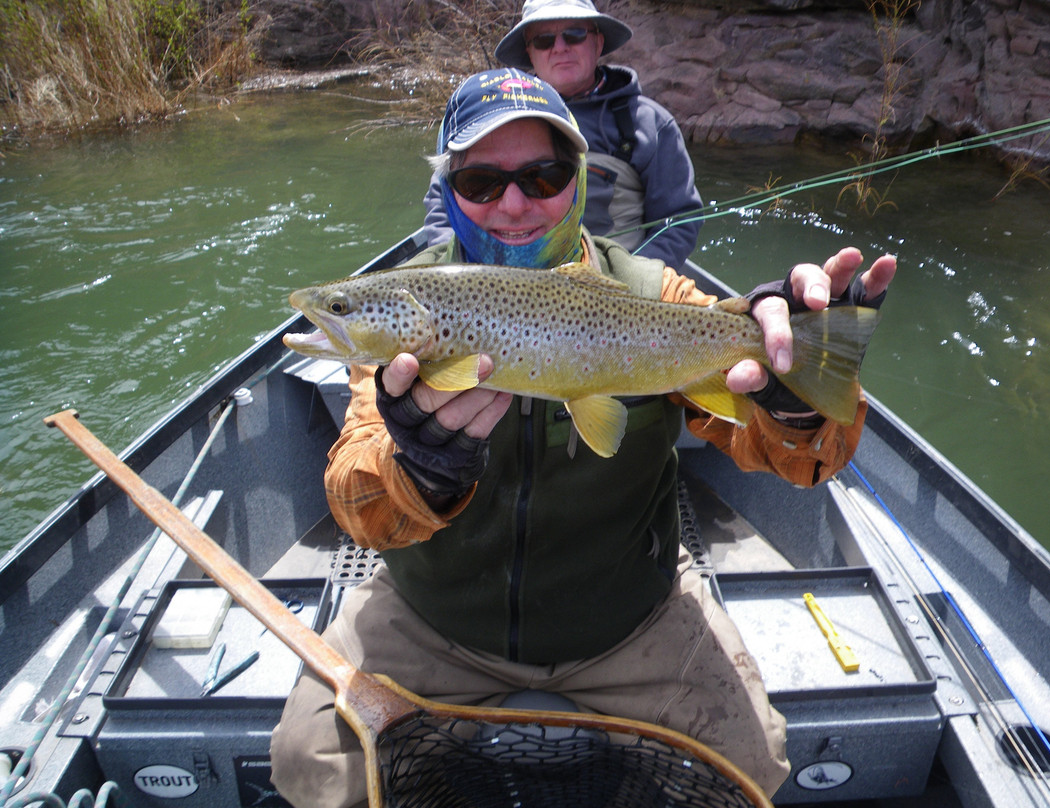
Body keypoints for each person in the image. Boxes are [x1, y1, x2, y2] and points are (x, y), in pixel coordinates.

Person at [270, 68, 896, 807]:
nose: (513, 204)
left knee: (751, 764)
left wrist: (795, 401)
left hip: (630, 622)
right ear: (449, 189)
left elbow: (800, 464)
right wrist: (420, 470)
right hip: (435, 622)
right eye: (480, 181)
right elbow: (356, 505)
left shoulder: (653, 291)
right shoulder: (408, 306)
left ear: (578, 181)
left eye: (544, 175)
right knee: (309, 764)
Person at [423, 0, 704, 269]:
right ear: (529, 52)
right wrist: (464, 280)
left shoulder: (650, 123)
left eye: (574, 35)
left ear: (598, 42)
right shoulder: (482, 119)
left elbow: (678, 222)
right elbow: (441, 210)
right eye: (544, 40)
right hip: (494, 284)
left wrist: (628, 281)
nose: (559, 48)